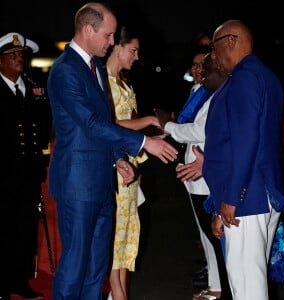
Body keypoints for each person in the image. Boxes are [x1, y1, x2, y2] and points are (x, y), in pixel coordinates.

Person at [46, 3, 177, 300]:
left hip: (104, 183)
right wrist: (143, 143)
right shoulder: (65, 70)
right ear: (88, 29)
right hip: (78, 185)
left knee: (96, 268)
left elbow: (104, 121)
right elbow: (91, 123)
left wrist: (119, 157)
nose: (110, 41)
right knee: (75, 266)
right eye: (108, 35)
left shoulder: (94, 68)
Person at [202, 20, 284, 300]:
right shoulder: (265, 76)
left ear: (230, 40)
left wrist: (231, 199)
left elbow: (246, 141)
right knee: (250, 278)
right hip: (254, 194)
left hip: (247, 198)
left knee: (247, 286)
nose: (213, 56)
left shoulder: (243, 78)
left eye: (214, 47)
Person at [156, 52, 232, 300]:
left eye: (206, 64)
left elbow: (199, 130)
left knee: (215, 237)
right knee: (206, 235)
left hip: (207, 174)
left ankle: (222, 289)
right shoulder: (199, 92)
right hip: (196, 173)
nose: (201, 69)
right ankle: (216, 285)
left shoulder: (217, 95)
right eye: (196, 64)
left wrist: (167, 125)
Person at [105, 24, 161, 300]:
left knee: (127, 239)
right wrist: (147, 121)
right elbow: (110, 125)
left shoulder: (123, 83)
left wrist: (139, 158)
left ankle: (121, 295)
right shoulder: (101, 81)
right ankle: (118, 295)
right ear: (117, 46)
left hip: (129, 166)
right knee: (115, 240)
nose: (136, 57)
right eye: (133, 50)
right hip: (112, 168)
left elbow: (131, 126)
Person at [0, 32, 52, 300]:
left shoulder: (34, 86)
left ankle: (20, 281)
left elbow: (43, 126)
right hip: (1, 176)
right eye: (11, 55)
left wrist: (41, 158)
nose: (18, 58)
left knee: (25, 230)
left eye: (20, 54)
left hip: (28, 174)